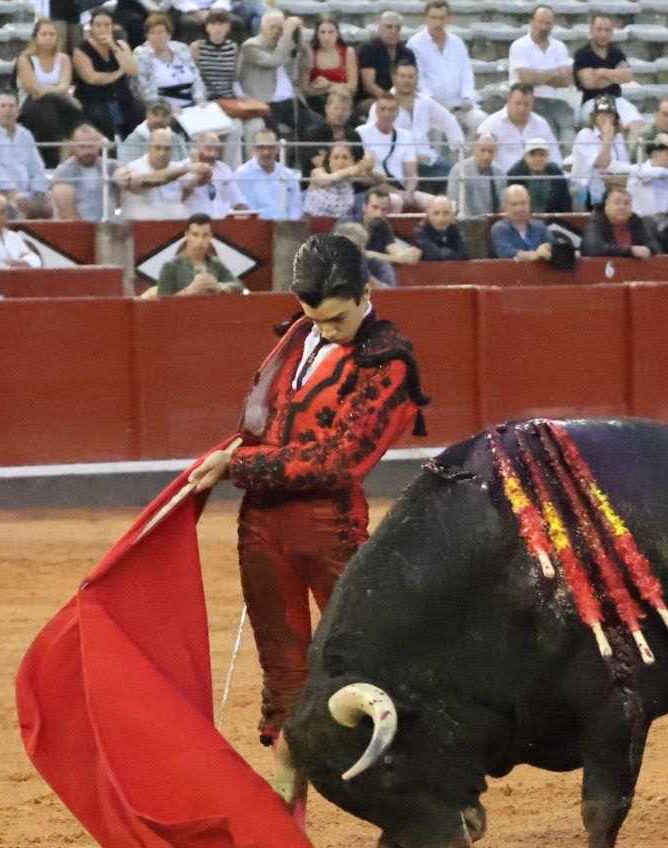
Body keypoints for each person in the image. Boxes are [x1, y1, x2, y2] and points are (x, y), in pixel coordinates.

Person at [185, 231, 429, 755]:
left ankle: (425, 808)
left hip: (330, 528)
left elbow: (337, 461)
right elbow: (264, 424)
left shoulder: (389, 360)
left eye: (337, 318)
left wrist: (238, 463)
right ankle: (286, 817)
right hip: (260, 526)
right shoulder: (299, 334)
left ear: (366, 292)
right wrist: (223, 455)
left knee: (366, 660)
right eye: (315, 317)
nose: (326, 329)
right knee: (283, 674)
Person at [239, 11, 323, 147]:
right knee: (272, 133)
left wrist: (301, 40)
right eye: (272, 27)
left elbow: (307, 64)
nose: (276, 32)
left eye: (280, 28)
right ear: (261, 29)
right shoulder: (251, 46)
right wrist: (287, 36)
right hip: (266, 103)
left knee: (318, 125)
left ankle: (306, 163)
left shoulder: (287, 46)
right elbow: (273, 61)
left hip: (291, 102)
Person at [407, 0, 484, 141]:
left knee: (480, 121)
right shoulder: (415, 44)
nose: (438, 22)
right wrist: (432, 101)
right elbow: (418, 78)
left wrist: (467, 97)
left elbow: (466, 72)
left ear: (448, 19)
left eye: (442, 18)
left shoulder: (457, 43)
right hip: (431, 102)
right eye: (434, 17)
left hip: (459, 102)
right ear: (425, 18)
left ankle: (466, 157)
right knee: (437, 128)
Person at [0, 91, 50, 219]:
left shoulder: (25, 134)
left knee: (53, 200)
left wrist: (38, 192)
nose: (7, 110)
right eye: (3, 106)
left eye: (11, 106)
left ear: (18, 111)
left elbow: (37, 167)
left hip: (27, 192)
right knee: (15, 205)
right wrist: (14, 194)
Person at [16, 19, 80, 168]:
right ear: (35, 37)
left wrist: (47, 89)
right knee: (51, 109)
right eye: (44, 34)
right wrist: (53, 88)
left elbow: (64, 86)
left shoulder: (64, 59)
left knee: (64, 109)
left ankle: (63, 163)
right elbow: (34, 89)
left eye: (52, 34)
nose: (49, 38)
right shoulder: (25, 59)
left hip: (58, 102)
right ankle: (50, 161)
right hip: (31, 103)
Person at [389, 58, 462, 185]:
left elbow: (448, 120)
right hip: (400, 165)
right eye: (403, 76)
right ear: (394, 78)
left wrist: (455, 149)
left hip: (428, 158)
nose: (407, 80)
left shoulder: (424, 101)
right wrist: (410, 158)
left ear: (417, 79)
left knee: (461, 172)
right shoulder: (383, 105)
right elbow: (376, 139)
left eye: (411, 77)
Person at [509, 5, 574, 145]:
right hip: (530, 99)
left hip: (556, 99)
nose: (544, 27)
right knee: (549, 130)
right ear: (532, 22)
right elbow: (526, 80)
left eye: (548, 23)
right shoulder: (519, 46)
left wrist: (538, 76)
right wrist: (555, 72)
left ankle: (568, 163)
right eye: (540, 22)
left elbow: (566, 81)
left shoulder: (559, 47)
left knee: (569, 129)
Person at [74, 9, 142, 141]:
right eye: (98, 25)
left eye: (107, 25)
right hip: (96, 99)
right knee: (107, 120)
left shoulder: (120, 45)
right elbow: (92, 78)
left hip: (121, 97)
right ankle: (114, 149)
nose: (102, 29)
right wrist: (118, 73)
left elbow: (133, 70)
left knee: (138, 114)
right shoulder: (81, 49)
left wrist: (113, 47)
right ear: (92, 27)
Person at [358, 93, 431, 212]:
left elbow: (412, 174)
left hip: (401, 187)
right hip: (374, 188)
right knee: (396, 200)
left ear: (397, 112)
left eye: (391, 110)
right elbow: (363, 173)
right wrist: (396, 192)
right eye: (383, 109)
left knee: (435, 202)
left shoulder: (405, 136)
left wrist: (408, 192)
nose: (387, 114)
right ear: (376, 111)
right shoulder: (361, 133)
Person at [575, 13, 643, 139]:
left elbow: (627, 76)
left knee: (635, 124)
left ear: (612, 32)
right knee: (612, 125)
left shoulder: (616, 53)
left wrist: (601, 72)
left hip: (616, 99)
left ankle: (631, 157)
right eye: (599, 29)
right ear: (591, 30)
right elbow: (589, 82)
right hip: (592, 102)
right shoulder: (582, 54)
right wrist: (615, 75)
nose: (603, 34)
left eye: (607, 30)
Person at [115, 124, 198, 219]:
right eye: (158, 148)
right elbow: (155, 179)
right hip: (142, 224)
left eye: (167, 148)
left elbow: (192, 184)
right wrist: (185, 169)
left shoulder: (177, 167)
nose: (162, 153)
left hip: (173, 222)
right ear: (148, 148)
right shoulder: (134, 168)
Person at [478, 82, 561, 173]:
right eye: (518, 103)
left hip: (536, 177)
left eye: (526, 104)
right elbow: (481, 157)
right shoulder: (491, 124)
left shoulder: (541, 124)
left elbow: (554, 155)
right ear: (508, 100)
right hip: (503, 178)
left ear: (532, 104)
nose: (521, 109)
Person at [154, 211, 242, 295]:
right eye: (195, 235)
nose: (200, 241)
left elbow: (239, 286)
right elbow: (161, 303)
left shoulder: (216, 264)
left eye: (205, 235)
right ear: (187, 235)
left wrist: (220, 286)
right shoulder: (171, 267)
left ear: (210, 236)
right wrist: (188, 291)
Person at [136, 12, 204, 113]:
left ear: (169, 34)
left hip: (193, 105)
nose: (156, 36)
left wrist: (200, 98)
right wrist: (167, 107)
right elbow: (143, 89)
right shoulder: (141, 55)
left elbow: (196, 76)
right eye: (152, 33)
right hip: (163, 110)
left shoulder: (181, 48)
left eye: (160, 32)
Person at [569, 95, 629, 208]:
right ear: (595, 117)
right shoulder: (585, 135)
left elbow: (624, 167)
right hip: (587, 193)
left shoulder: (618, 138)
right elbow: (601, 163)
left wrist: (618, 179)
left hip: (613, 188)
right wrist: (607, 139)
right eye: (602, 115)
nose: (606, 119)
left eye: (609, 115)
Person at [232, 126, 300, 220]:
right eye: (261, 147)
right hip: (258, 228)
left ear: (277, 149)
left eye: (270, 147)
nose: (266, 152)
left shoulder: (288, 174)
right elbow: (250, 211)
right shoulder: (242, 174)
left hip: (286, 228)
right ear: (254, 149)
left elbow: (295, 210)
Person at [50, 123, 112, 222]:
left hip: (107, 226)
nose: (87, 151)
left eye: (91, 146)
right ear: (73, 147)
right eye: (82, 147)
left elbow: (124, 176)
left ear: (99, 145)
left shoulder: (110, 166)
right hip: (75, 228)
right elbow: (66, 213)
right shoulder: (64, 172)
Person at [181, 128, 246, 217]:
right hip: (195, 223)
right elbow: (180, 197)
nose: (213, 154)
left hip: (223, 222)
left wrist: (243, 213)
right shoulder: (184, 168)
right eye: (209, 149)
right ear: (197, 147)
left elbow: (238, 200)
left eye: (216, 150)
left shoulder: (224, 169)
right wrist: (197, 170)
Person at [581, 186, 656, 259]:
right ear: (606, 205)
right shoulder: (597, 221)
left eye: (626, 203)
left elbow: (654, 247)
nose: (622, 207)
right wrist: (629, 250)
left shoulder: (636, 222)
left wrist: (648, 250)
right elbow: (592, 248)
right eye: (617, 203)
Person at [300, 16, 355, 114]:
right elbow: (304, 89)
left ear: (337, 33)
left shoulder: (348, 52)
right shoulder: (310, 53)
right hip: (316, 102)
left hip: (341, 101)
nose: (326, 37)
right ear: (317, 34)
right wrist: (336, 88)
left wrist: (328, 84)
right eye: (322, 32)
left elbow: (352, 87)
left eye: (331, 32)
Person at [357, 9, 413, 104]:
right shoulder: (369, 49)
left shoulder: (407, 53)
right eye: (389, 27)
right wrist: (390, 100)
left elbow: (412, 80)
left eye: (397, 28)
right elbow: (369, 85)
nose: (394, 31)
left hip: (401, 98)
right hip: (374, 99)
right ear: (380, 29)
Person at [504, 136, 572, 215]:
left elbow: (565, 202)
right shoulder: (515, 173)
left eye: (542, 154)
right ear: (525, 156)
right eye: (533, 154)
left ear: (548, 156)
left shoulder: (555, 172)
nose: (538, 159)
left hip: (553, 220)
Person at [304, 140, 370, 219]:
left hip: (341, 225)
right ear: (329, 160)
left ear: (351, 160)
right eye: (336, 157)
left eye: (345, 157)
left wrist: (369, 165)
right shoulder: (317, 172)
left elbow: (381, 179)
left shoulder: (352, 175)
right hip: (314, 222)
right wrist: (358, 167)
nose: (340, 162)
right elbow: (331, 179)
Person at [447, 131, 504, 220]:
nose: (486, 156)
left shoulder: (500, 173)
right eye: (483, 150)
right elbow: (455, 202)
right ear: (474, 149)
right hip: (465, 222)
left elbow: (502, 205)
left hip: (491, 223)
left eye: (490, 151)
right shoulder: (459, 170)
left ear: (496, 151)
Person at [489, 182, 551, 261]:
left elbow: (553, 247)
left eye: (523, 203)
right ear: (506, 207)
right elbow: (505, 252)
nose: (519, 208)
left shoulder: (540, 227)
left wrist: (547, 247)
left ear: (529, 204)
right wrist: (535, 255)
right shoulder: (498, 228)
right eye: (514, 204)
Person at [194, 9, 240, 106]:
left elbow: (236, 77)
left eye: (221, 24)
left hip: (229, 99)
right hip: (206, 100)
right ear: (207, 27)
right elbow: (194, 77)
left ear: (228, 27)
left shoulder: (233, 47)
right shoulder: (197, 47)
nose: (217, 28)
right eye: (213, 24)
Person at [410, 194, 467, 261]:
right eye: (436, 213)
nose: (441, 218)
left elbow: (464, 255)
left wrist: (444, 253)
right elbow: (432, 256)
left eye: (446, 213)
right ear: (428, 214)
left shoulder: (453, 228)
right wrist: (449, 252)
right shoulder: (420, 232)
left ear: (452, 215)